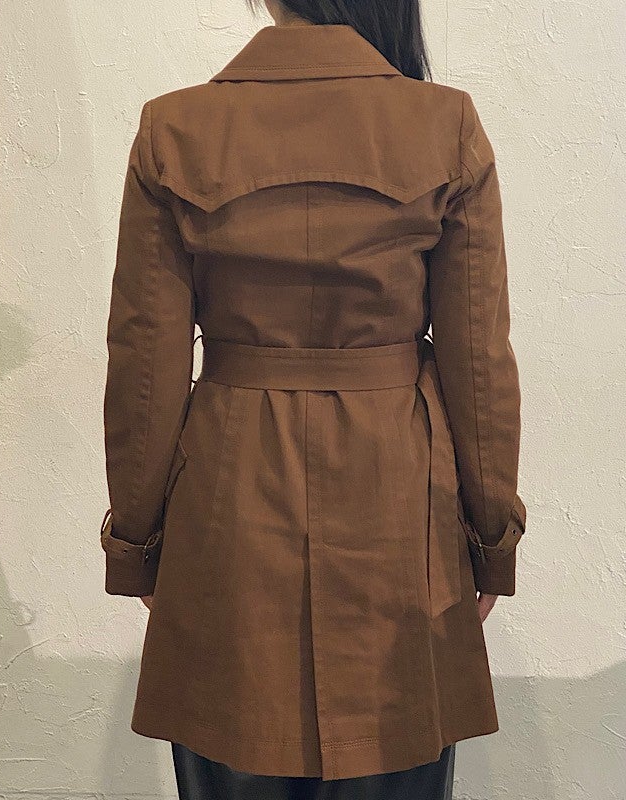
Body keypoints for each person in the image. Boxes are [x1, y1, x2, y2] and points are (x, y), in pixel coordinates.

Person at [99, 0, 527, 798]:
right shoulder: (445, 126)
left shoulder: (174, 131)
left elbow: (144, 365)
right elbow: (479, 361)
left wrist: (139, 545)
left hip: (228, 515)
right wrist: (491, 538)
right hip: (400, 517)